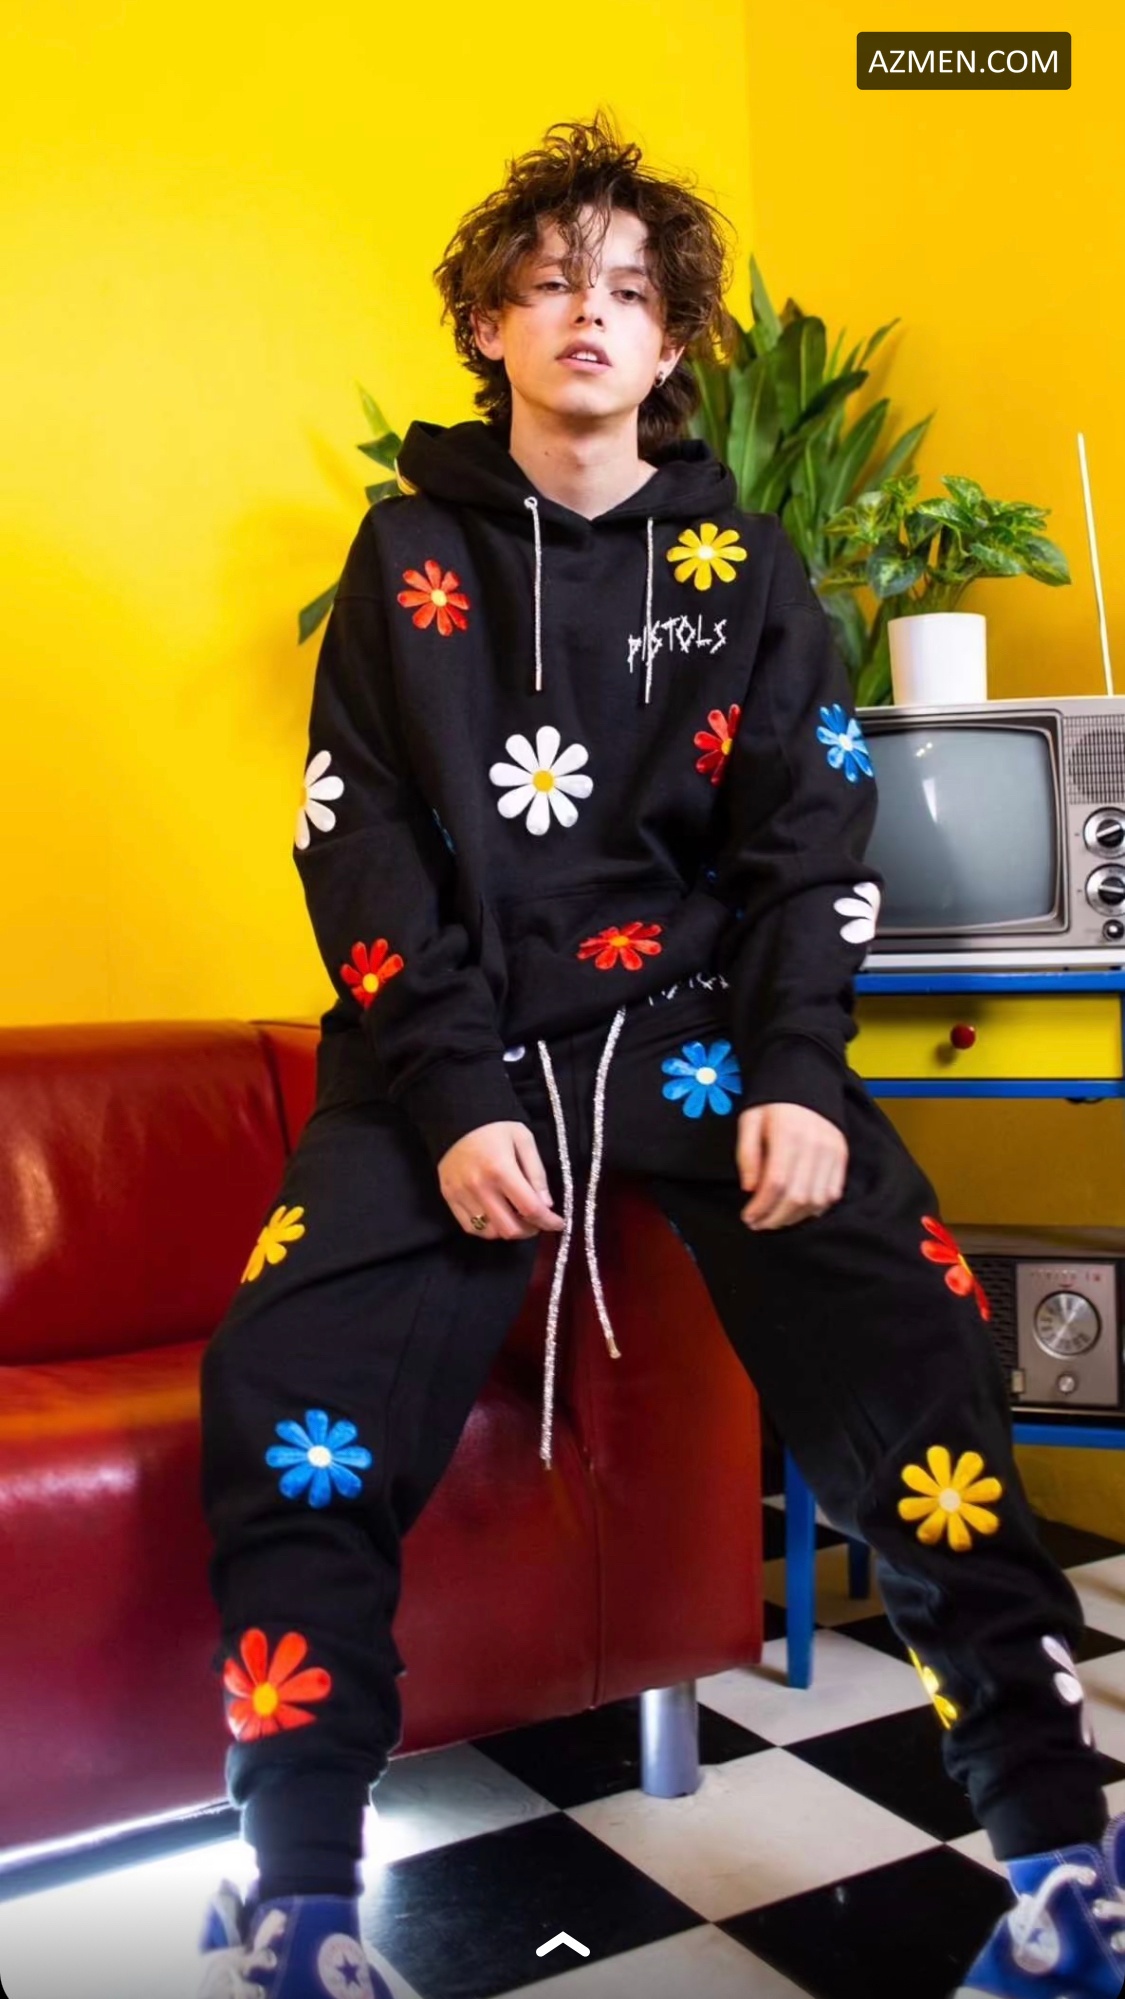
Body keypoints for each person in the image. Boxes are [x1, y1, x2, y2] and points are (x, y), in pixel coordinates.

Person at [195, 112, 1125, 1999]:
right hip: (452, 1044)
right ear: (486, 324)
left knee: (917, 1335)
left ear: (672, 337)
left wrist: (795, 1070)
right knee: (288, 1380)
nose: (587, 313)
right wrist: (454, 1097)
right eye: (548, 283)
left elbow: (808, 837)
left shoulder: (749, 563)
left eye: (626, 289)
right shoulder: (403, 555)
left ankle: (1061, 1868)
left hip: (702, 1042)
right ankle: (294, 1900)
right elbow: (355, 842)